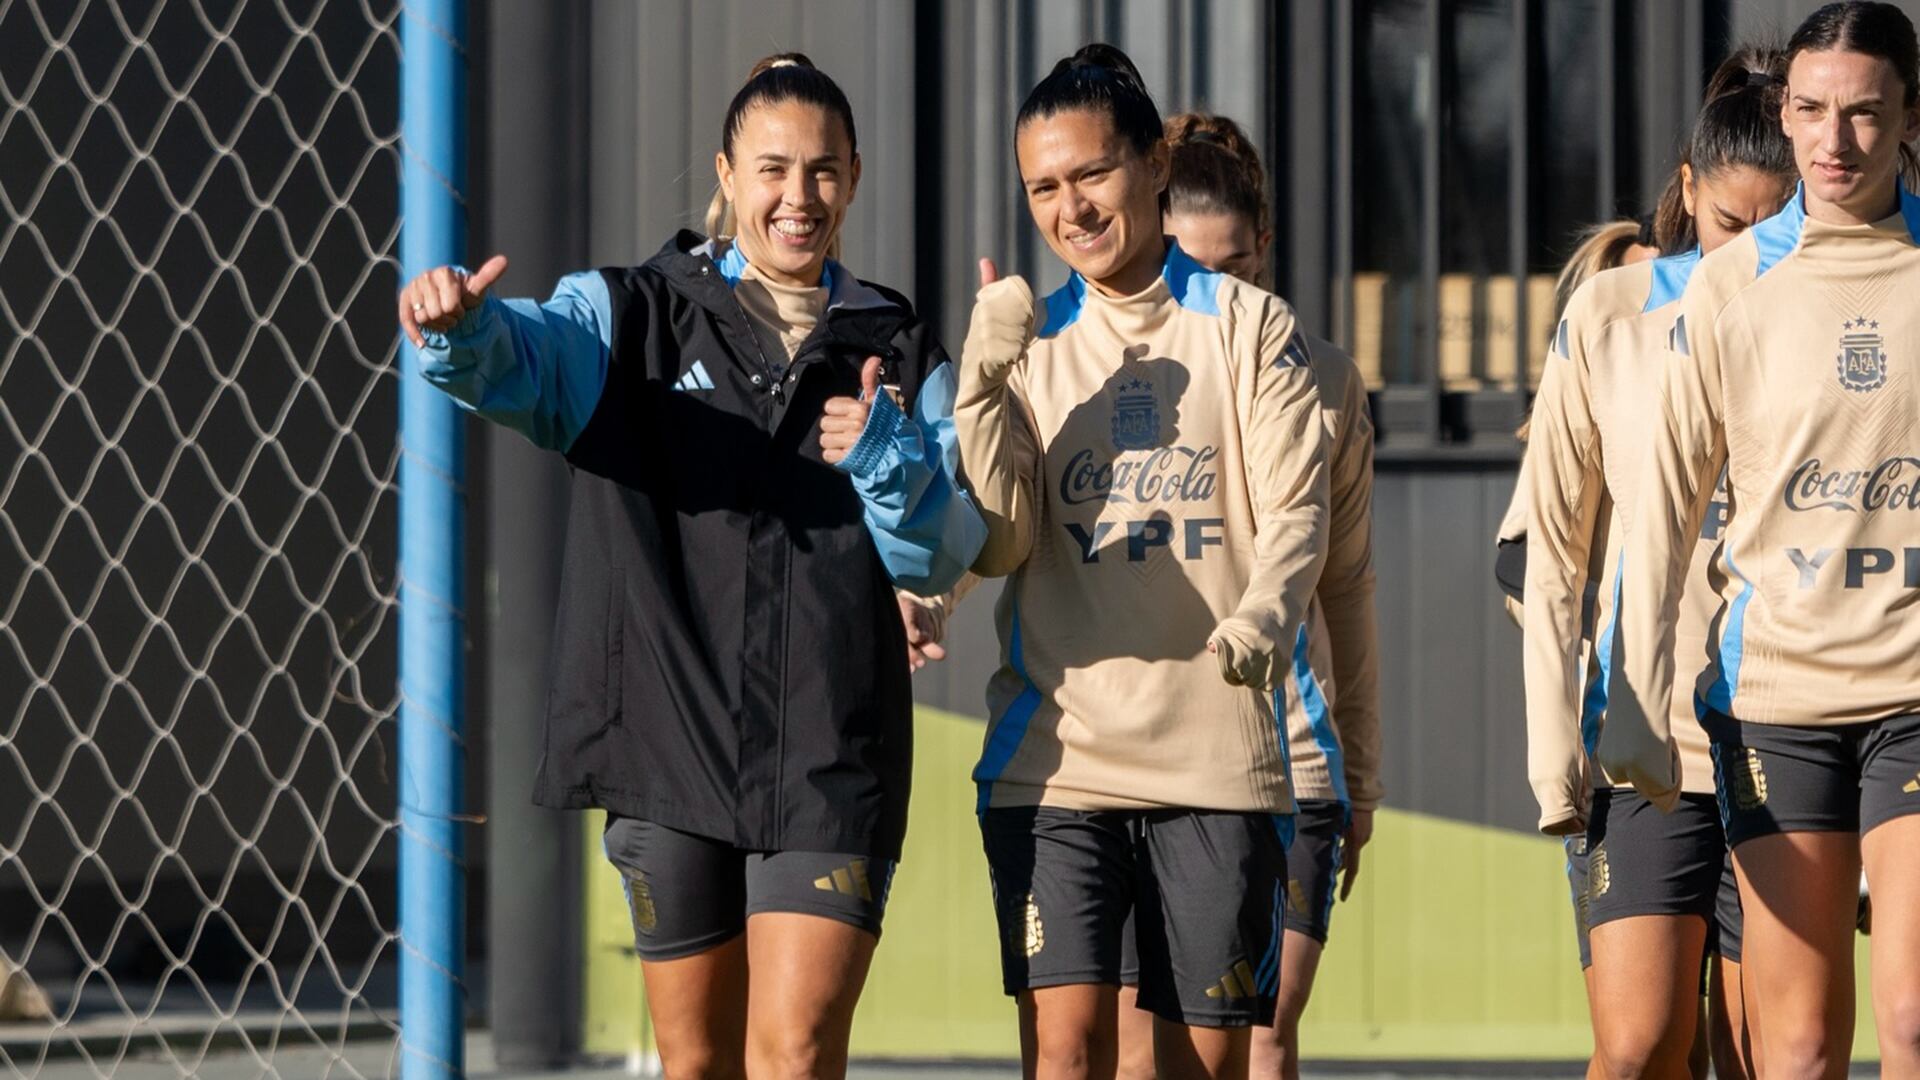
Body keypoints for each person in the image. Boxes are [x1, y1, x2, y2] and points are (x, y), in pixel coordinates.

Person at [398, 53, 984, 1079]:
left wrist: (886, 458)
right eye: (771, 170)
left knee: (795, 1053)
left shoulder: (900, 345)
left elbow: (942, 549)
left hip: (829, 758)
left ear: (853, 173)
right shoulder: (627, 315)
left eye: (821, 171)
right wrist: (463, 332)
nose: (797, 198)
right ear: (725, 175)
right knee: (697, 1062)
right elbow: (524, 362)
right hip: (666, 749)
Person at [956, 43, 1329, 1080]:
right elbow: (1001, 540)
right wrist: (981, 390)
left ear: (1152, 168)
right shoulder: (1029, 339)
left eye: (1091, 174)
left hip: (1219, 767)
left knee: (1196, 1068)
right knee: (1066, 1059)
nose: (1069, 207)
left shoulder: (1253, 329)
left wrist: (1263, 615)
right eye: (1043, 186)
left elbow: (1300, 513)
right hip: (1057, 763)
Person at [1604, 4, 1920, 1075]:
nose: (1836, 143)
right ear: (1781, 113)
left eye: (1866, 114)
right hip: (1777, 700)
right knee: (1798, 1045)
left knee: (1916, 1014)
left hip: (1917, 691)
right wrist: (1631, 691)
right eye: (1813, 111)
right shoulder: (1729, 290)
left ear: (1908, 118)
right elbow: (1659, 505)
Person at [1525, 46, 1797, 1080]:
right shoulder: (1609, 316)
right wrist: (1558, 753)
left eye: (1775, 229)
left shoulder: (1832, 313)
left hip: (1794, 735)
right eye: (1730, 226)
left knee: (1761, 1054)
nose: (1747, 257)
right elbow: (1549, 549)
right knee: (1639, 1047)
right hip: (1645, 739)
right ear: (1688, 192)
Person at [1097, 110, 1376, 1080]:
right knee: (1141, 1048)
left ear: (1267, 251)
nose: (1215, 293)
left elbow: (1344, 586)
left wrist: (1362, 776)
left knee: (1262, 1036)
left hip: (1291, 762)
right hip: (1144, 753)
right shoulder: (1117, 373)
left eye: (1238, 271)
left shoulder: (1327, 381)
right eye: (1191, 268)